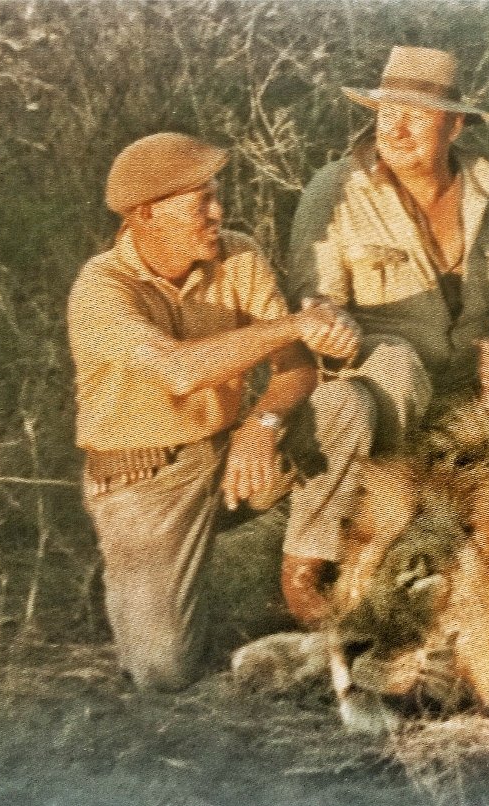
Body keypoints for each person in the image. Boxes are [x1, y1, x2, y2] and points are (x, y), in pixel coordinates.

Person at [282, 47, 489, 624]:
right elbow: (312, 311)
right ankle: (304, 568)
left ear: (455, 123)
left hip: (471, 388)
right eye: (387, 110)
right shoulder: (333, 191)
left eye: (417, 112)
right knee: (373, 384)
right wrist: (336, 334)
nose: (397, 126)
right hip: (378, 386)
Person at [67, 132, 357, 691]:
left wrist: (262, 423)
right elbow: (179, 370)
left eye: (215, 195)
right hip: (145, 478)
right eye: (200, 202)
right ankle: (192, 578)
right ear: (145, 215)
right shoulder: (100, 288)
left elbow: (295, 369)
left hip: (230, 453)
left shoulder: (239, 254)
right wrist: (296, 323)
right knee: (164, 671)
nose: (218, 213)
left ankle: (298, 570)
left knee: (343, 412)